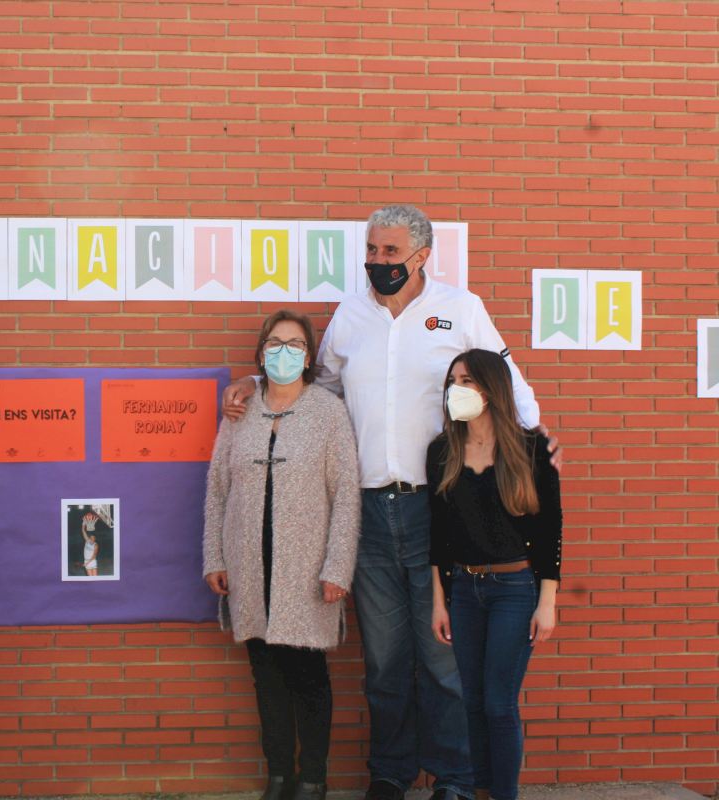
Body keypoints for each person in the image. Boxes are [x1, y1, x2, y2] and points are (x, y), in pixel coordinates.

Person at [223, 205, 558, 800]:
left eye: (391, 252)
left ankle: (453, 778)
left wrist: (535, 440)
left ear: (422, 256)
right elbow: (318, 387)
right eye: (372, 250)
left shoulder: (461, 309)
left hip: (442, 508)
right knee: (383, 660)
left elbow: (504, 381)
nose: (378, 261)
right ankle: (391, 773)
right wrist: (254, 385)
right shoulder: (350, 316)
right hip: (370, 510)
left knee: (444, 657)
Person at [205, 310, 361, 800]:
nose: (284, 352)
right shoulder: (239, 412)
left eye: (295, 344)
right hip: (250, 565)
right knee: (266, 675)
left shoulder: (328, 412)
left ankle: (312, 777)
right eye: (275, 343)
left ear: (309, 356)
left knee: (307, 676)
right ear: (261, 352)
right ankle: (278, 775)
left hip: (307, 570)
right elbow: (217, 489)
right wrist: (215, 557)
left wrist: (338, 567)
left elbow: (346, 496)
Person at [427, 349, 562, 800]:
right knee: (472, 701)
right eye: (453, 381)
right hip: (465, 589)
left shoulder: (532, 449)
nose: (457, 389)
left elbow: (550, 530)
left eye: (467, 381)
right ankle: (480, 791)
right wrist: (439, 602)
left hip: (515, 590)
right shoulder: (441, 452)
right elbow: (438, 536)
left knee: (498, 704)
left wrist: (547, 603)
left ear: (492, 389)